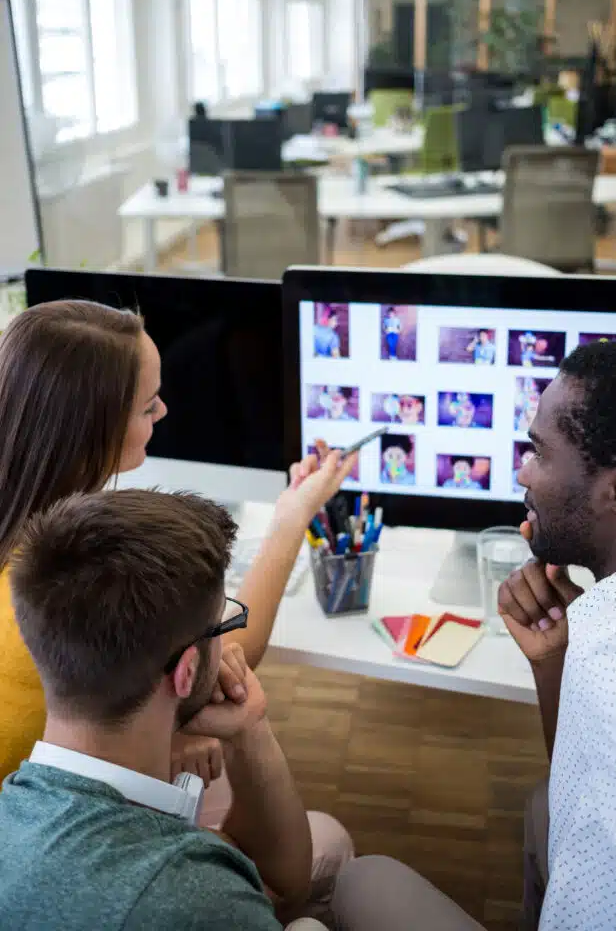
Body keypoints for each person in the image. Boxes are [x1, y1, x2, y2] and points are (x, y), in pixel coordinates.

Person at [0, 300, 356, 905]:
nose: (164, 410)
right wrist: (294, 515)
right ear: (98, 428)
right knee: (327, 842)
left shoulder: (34, 533)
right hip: (60, 856)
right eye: (148, 405)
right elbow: (217, 654)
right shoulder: (54, 585)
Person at [0, 488, 335, 929]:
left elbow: (278, 884)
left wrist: (247, 727)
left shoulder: (16, 808)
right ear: (187, 671)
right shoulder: (194, 895)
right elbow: (283, 898)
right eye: (224, 624)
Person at [498, 340, 616, 931]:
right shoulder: (608, 626)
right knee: (541, 806)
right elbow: (585, 785)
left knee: (363, 879)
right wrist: (556, 663)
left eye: (539, 452)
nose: (522, 470)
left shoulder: (615, 646)